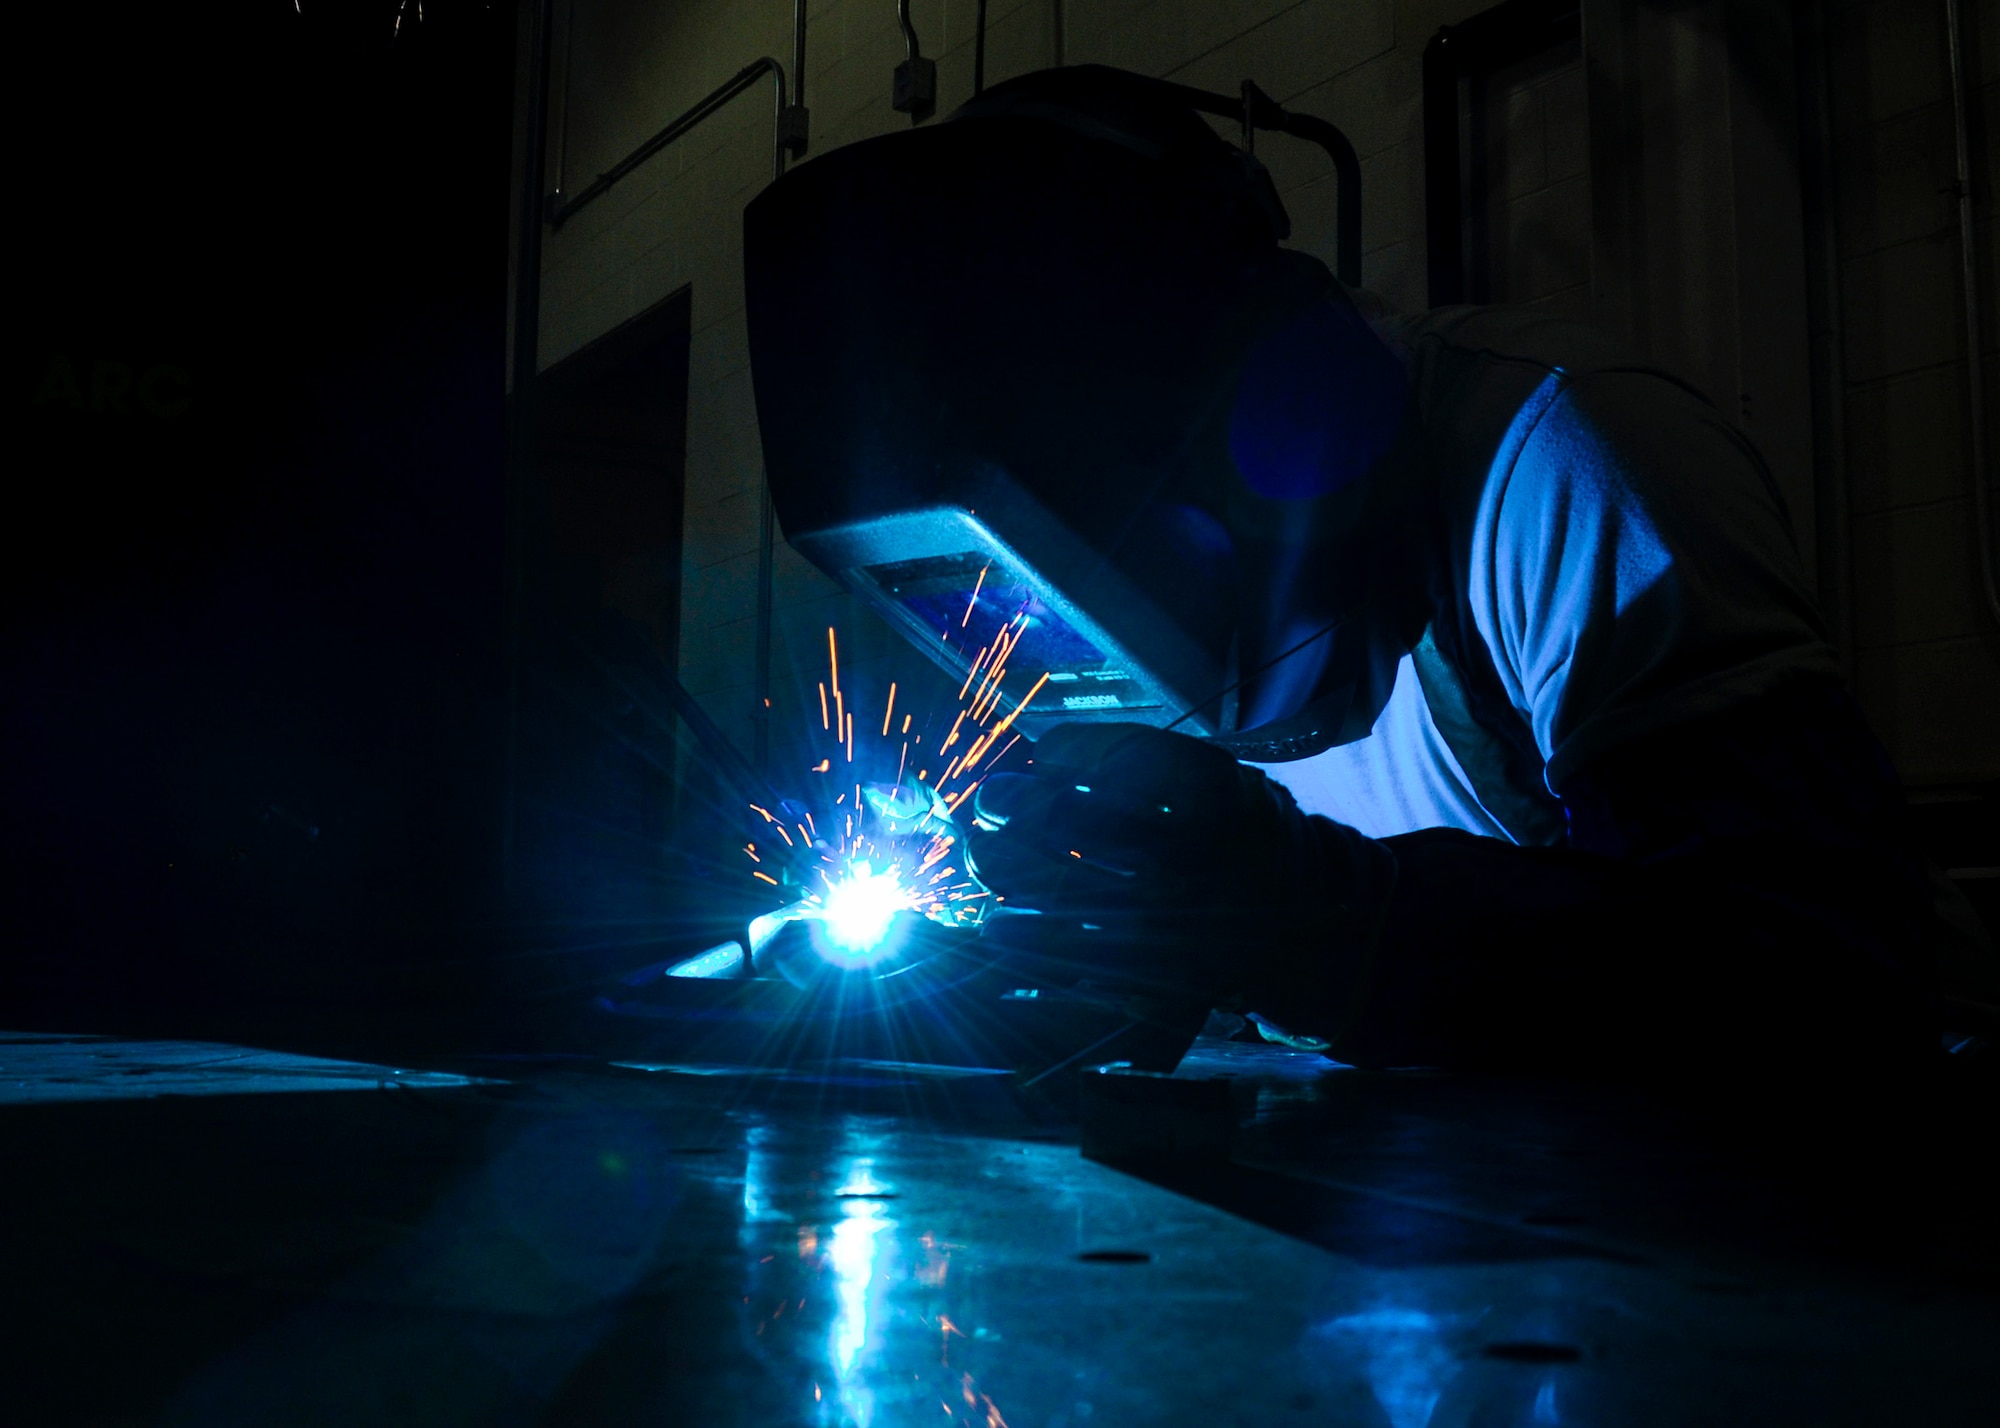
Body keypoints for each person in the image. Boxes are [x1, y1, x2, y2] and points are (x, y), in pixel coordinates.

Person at [744, 65, 1994, 1076]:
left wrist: (1325, 923)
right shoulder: (1059, 595)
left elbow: (1826, 974)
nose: (1031, 647)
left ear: (1289, 425)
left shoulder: (1558, 457)